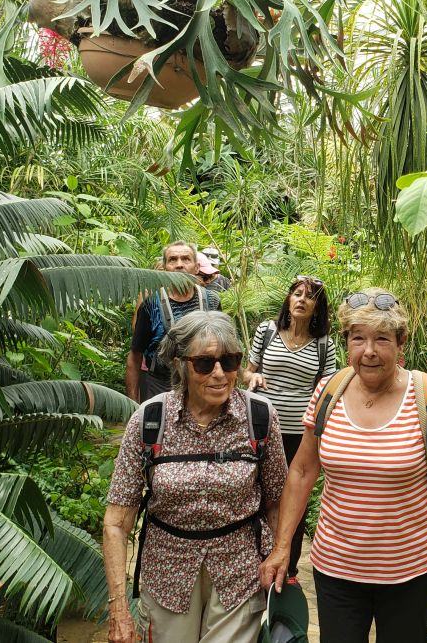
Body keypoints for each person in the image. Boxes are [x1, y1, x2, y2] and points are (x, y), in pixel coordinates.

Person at [260, 287, 427, 642]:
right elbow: (303, 472)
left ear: (400, 343)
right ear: (346, 342)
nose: (368, 351)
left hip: (410, 570)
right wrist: (281, 548)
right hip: (336, 566)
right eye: (358, 338)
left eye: (381, 339)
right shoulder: (328, 391)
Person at [104, 310, 287, 643]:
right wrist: (118, 607)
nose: (219, 374)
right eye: (204, 363)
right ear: (180, 364)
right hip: (167, 572)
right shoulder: (151, 419)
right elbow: (117, 522)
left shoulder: (258, 417)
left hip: (239, 571)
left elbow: (277, 500)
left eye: (230, 362)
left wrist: (280, 555)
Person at [244, 275, 337, 577]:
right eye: (296, 294)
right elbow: (247, 371)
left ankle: (289, 568)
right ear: (288, 299)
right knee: (253, 492)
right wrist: (253, 379)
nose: (301, 300)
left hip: (300, 433)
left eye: (309, 297)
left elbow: (329, 389)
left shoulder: (324, 344)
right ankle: (251, 558)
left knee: (293, 497)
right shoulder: (267, 330)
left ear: (317, 307)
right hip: (259, 427)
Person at [127, 242, 222, 402]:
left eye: (186, 259)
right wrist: (133, 405)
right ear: (164, 268)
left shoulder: (211, 301)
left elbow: (222, 348)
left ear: (197, 267)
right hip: (159, 385)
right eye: (172, 260)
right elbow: (135, 356)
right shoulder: (151, 304)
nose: (179, 265)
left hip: (202, 385)